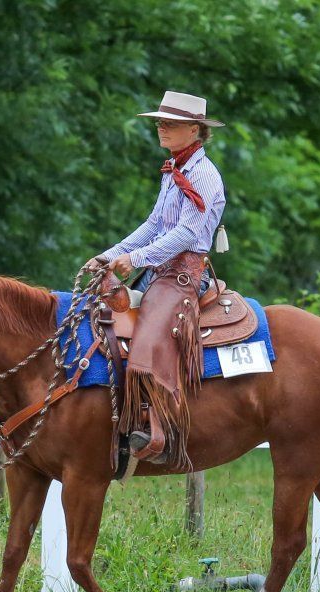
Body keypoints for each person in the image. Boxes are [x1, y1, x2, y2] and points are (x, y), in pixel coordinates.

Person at [84, 91, 226, 467]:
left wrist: (136, 259)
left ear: (194, 130)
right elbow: (153, 225)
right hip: (158, 272)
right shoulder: (174, 171)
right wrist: (110, 255)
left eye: (170, 123)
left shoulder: (203, 175)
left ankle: (159, 429)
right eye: (160, 122)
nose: (161, 128)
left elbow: (186, 233)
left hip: (183, 276)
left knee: (148, 338)